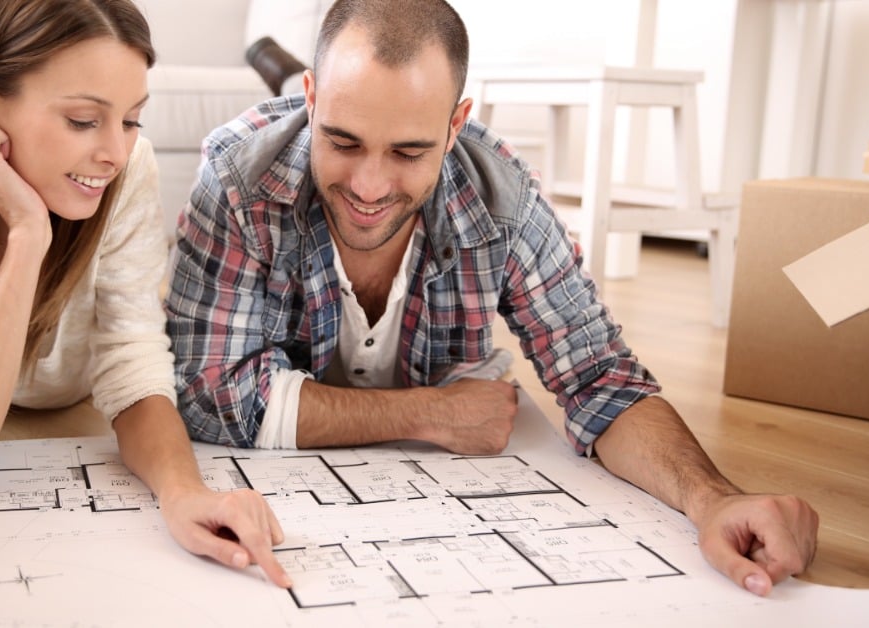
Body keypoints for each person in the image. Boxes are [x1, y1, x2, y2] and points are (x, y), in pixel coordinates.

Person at [166, 0, 817, 597]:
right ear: (314, 101)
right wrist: (427, 415)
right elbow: (210, 397)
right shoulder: (237, 177)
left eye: (408, 151)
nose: (368, 185)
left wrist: (712, 499)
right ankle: (280, 70)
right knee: (284, 93)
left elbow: (601, 383)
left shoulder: (504, 199)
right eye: (343, 140)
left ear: (455, 127)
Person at [0, 0, 289, 588]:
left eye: (131, 120)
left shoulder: (128, 170)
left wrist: (183, 494)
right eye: (82, 120)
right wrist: (27, 237)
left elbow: (132, 363)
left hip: (66, 415)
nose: (115, 154)